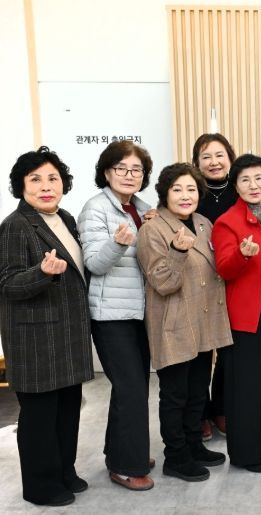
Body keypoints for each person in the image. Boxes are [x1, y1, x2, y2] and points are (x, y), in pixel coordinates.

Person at [0, 147, 94, 506]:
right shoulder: (15, 225)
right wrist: (41, 273)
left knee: (68, 410)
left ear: (63, 184)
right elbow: (7, 283)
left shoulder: (65, 218)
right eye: (35, 179)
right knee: (40, 418)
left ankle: (64, 471)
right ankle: (41, 486)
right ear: (21, 185)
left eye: (53, 178)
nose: (46, 186)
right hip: (35, 339)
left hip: (66, 334)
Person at [137, 163, 232, 482]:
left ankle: (194, 445)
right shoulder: (152, 229)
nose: (185, 195)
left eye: (191, 189)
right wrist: (177, 251)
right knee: (175, 395)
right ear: (165, 193)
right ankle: (175, 457)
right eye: (177, 189)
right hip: (173, 323)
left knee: (197, 391)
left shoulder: (204, 223)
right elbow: (162, 282)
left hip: (203, 321)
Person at [77, 141, 156, 491]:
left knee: (132, 388)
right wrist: (118, 243)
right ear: (107, 172)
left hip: (139, 312)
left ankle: (121, 450)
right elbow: (95, 263)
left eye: (136, 169)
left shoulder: (143, 209)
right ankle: (126, 465)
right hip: (110, 315)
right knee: (131, 389)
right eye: (121, 168)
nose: (129, 174)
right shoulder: (95, 208)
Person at [212, 153, 261, 473]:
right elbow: (224, 269)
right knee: (245, 387)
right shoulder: (228, 221)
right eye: (245, 179)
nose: (253, 185)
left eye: (259, 178)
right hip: (243, 314)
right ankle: (245, 454)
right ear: (236, 185)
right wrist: (241, 255)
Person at [192, 132, 238, 440]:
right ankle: (200, 412)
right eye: (206, 156)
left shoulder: (240, 190)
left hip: (232, 280)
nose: (214, 162)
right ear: (196, 163)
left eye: (219, 155)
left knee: (228, 350)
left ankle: (221, 407)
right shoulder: (190, 191)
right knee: (199, 351)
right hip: (198, 281)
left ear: (230, 159)